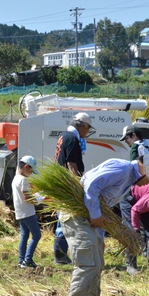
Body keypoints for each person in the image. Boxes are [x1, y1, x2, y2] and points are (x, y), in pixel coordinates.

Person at [60, 158, 149, 296]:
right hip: (76, 215)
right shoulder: (122, 169)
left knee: (97, 264)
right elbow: (92, 185)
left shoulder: (129, 180)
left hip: (89, 220)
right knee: (87, 265)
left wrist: (100, 234)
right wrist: (94, 214)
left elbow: (103, 205)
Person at [52, 112, 93, 265]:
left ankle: (61, 254)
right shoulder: (72, 138)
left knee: (62, 219)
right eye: (87, 128)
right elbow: (71, 164)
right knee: (66, 218)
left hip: (61, 182)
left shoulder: (64, 136)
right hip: (67, 185)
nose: (87, 132)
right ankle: (61, 255)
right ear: (81, 125)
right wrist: (76, 184)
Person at [118, 125, 149, 275]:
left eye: (126, 139)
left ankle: (130, 264)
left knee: (131, 227)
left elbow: (134, 170)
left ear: (133, 136)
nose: (126, 142)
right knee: (145, 226)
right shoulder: (148, 147)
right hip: (146, 191)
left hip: (132, 192)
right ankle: (147, 256)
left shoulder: (135, 148)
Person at [12, 155, 42, 269]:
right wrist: (38, 199)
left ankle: (21, 260)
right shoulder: (23, 180)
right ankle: (28, 260)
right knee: (37, 235)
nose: (31, 173)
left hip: (19, 212)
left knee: (24, 236)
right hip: (28, 213)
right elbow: (27, 198)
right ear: (26, 166)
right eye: (31, 170)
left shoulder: (16, 178)